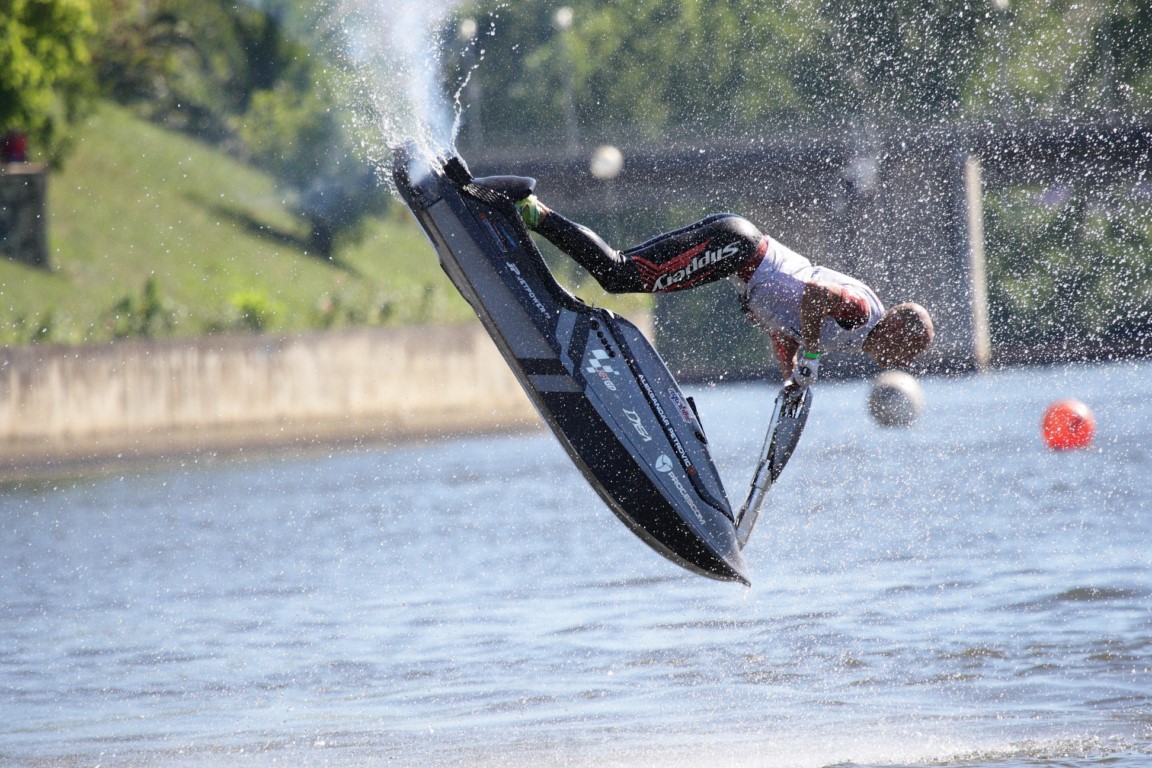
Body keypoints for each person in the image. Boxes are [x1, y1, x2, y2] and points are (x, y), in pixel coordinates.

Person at [512, 192, 934, 389]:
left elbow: (783, 326)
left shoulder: (854, 334)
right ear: (897, 327)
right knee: (621, 275)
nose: (904, 361)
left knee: (620, 272)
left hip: (735, 246)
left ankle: (530, 218)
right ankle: (533, 212)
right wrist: (809, 355)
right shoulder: (862, 313)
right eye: (909, 351)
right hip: (737, 249)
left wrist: (791, 376)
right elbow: (815, 295)